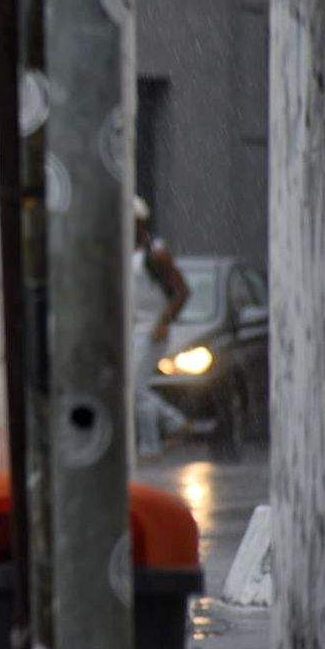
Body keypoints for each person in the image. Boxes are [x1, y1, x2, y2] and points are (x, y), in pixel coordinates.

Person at [132, 195, 190, 456]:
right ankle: (172, 422)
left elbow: (182, 291)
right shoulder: (126, 252)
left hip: (151, 329)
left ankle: (152, 441)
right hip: (132, 330)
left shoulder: (155, 254)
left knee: (134, 389)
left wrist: (164, 322)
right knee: (132, 389)